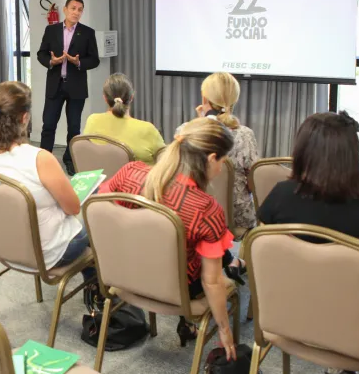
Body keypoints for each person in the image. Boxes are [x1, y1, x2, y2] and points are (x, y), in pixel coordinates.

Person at [257, 111, 359, 374]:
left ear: (302, 150)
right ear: (352, 152)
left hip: (290, 321)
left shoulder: (279, 195)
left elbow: (265, 260)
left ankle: (343, 365)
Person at [99, 118, 239, 358]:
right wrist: (224, 330)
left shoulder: (129, 172)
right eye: (223, 161)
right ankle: (190, 321)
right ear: (211, 159)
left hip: (124, 273)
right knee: (222, 273)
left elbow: (102, 209)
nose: (221, 168)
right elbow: (211, 282)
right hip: (176, 290)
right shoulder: (206, 209)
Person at [0, 81, 95, 283]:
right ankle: (97, 289)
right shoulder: (39, 159)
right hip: (45, 254)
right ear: (25, 117)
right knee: (95, 216)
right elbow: (73, 208)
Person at [38, 0, 100, 175]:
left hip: (76, 87)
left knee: (74, 128)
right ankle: (44, 159)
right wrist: (52, 61)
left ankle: (70, 159)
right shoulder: (51, 30)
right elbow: (41, 54)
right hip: (55, 86)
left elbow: (94, 60)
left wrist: (78, 62)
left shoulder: (87, 33)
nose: (76, 12)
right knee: (48, 125)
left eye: (80, 9)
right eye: (73, 8)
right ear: (65, 9)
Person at [196, 72, 259, 238]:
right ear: (234, 100)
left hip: (196, 217)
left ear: (204, 99)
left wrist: (200, 123)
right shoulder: (246, 135)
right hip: (237, 220)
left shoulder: (186, 132)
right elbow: (253, 182)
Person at [83, 73, 164, 165]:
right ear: (131, 97)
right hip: (137, 175)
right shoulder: (147, 129)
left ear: (105, 98)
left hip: (101, 174)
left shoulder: (92, 120)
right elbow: (168, 162)